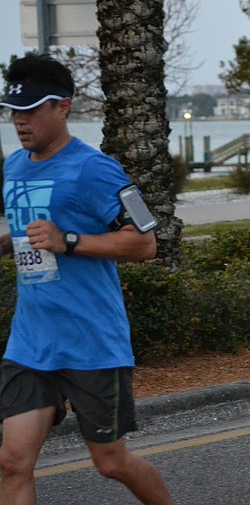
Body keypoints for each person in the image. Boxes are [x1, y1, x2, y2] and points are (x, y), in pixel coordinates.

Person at [0, 55, 173, 504]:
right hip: (31, 343)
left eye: (32, 109)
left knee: (110, 462)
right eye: (14, 111)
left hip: (92, 343)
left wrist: (69, 240)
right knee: (12, 462)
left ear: (64, 107)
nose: (20, 121)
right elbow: (29, 232)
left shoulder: (97, 169)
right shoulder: (14, 167)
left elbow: (145, 242)